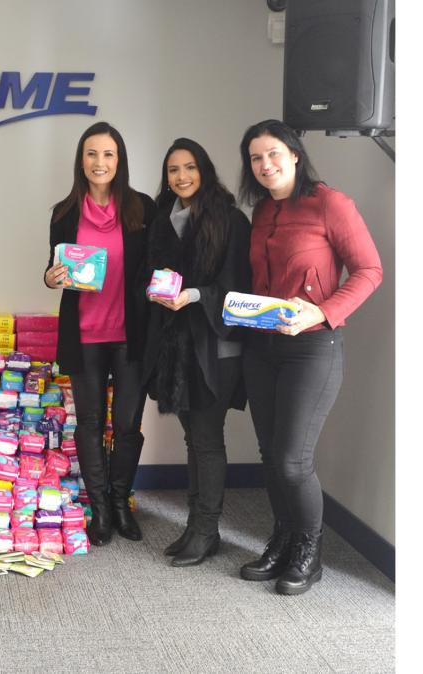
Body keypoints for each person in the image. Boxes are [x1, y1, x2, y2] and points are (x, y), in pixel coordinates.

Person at [237, 119, 382, 595]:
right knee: (269, 454)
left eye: (273, 153)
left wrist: (322, 311)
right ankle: (282, 540)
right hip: (263, 347)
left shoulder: (330, 203)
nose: (265, 165)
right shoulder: (261, 212)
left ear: (295, 154)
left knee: (292, 461)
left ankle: (308, 551)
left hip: (314, 348)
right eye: (256, 158)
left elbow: (369, 270)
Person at [44, 121, 156, 546]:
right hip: (85, 334)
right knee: (89, 423)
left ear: (119, 160)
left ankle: (121, 501)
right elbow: (53, 268)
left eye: (108, 154)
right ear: (81, 160)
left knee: (127, 425)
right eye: (92, 153)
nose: (99, 162)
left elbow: (157, 265)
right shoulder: (64, 213)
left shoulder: (142, 208)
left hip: (130, 335)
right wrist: (51, 278)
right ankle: (101, 510)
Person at [142, 138, 252, 567]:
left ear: (204, 170)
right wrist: (155, 291)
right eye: (173, 170)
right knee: (194, 440)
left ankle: (206, 530)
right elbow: (152, 274)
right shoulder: (162, 219)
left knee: (206, 440)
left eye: (189, 167)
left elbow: (238, 288)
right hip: (177, 348)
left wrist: (192, 295)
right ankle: (197, 526)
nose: (182, 176)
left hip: (214, 348)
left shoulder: (230, 219)